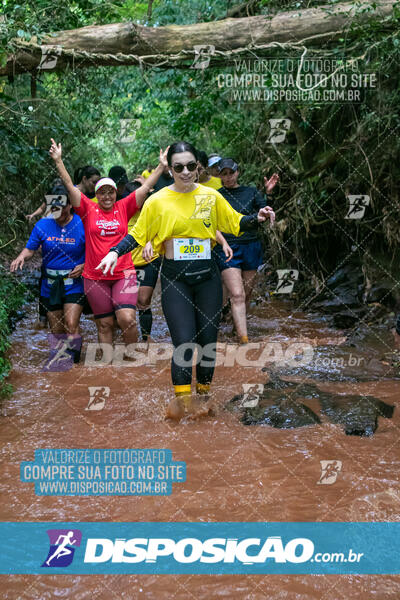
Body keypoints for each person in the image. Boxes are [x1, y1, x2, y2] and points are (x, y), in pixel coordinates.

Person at [97, 141, 275, 420]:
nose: (185, 172)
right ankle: (182, 405)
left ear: (198, 166)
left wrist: (259, 216)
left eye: (191, 166)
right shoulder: (157, 201)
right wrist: (114, 252)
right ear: (170, 168)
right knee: (184, 344)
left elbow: (237, 222)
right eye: (178, 167)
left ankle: (203, 398)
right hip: (174, 279)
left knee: (207, 344)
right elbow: (139, 234)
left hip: (208, 277)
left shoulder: (211, 196)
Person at [49, 139, 168, 349]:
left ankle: (131, 358)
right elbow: (69, 185)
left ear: (116, 193)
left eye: (110, 192)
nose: (106, 196)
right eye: (102, 192)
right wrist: (58, 161)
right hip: (95, 277)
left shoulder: (124, 207)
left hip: (125, 272)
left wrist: (161, 166)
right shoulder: (87, 209)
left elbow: (147, 187)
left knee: (127, 318)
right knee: (104, 324)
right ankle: (110, 367)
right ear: (96, 194)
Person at [213, 158, 279, 344]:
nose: (228, 177)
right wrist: (222, 241)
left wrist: (269, 194)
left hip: (251, 245)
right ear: (219, 176)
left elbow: (264, 212)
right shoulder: (216, 196)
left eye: (231, 173)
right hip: (227, 247)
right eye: (224, 174)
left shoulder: (251, 192)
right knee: (237, 294)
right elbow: (210, 222)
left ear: (237, 172)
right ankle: (244, 340)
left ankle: (236, 329)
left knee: (247, 293)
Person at [11, 184, 85, 342]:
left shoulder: (82, 224)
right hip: (50, 284)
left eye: (62, 207)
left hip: (74, 283)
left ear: (70, 205)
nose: (58, 212)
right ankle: (63, 361)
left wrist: (84, 265)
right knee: (57, 330)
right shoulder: (42, 225)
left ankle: (75, 363)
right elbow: (30, 249)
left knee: (71, 325)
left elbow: (94, 250)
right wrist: (21, 257)